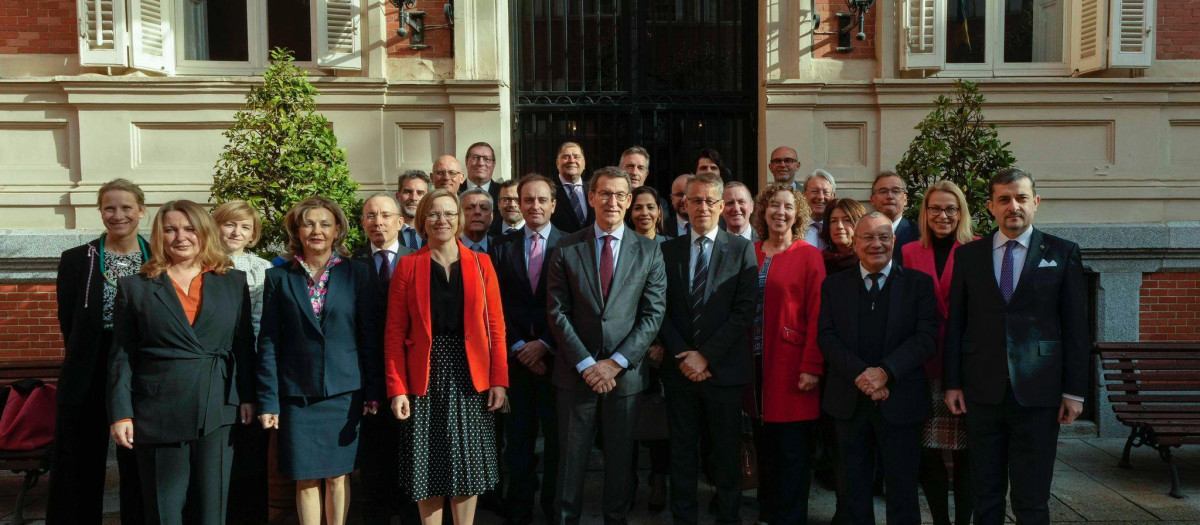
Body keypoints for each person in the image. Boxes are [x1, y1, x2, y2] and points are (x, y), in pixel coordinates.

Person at [944, 168, 1088, 525]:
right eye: (1004, 199)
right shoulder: (968, 256)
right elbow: (956, 323)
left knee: (1032, 497)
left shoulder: (1062, 253)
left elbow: (1076, 328)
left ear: (1035, 203)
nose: (1014, 206)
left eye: (1021, 198)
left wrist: (1075, 391)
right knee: (985, 493)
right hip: (982, 391)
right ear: (991, 206)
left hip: (1040, 394)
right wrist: (953, 382)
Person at [108, 199, 255, 524]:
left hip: (217, 408)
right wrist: (121, 413)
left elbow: (243, 345)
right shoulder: (136, 287)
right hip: (157, 411)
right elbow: (123, 356)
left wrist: (246, 395)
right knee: (165, 512)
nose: (181, 237)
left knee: (211, 511)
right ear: (160, 235)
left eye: (189, 228)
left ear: (204, 232)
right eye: (171, 229)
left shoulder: (232, 282)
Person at [547, 166, 667, 525]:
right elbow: (556, 310)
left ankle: (617, 519)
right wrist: (586, 364)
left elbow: (652, 314)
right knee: (570, 460)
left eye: (620, 195)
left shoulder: (649, 251)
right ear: (591, 197)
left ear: (629, 201)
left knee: (620, 461)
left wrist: (614, 363)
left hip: (625, 379)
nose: (612, 201)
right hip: (575, 374)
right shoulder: (566, 246)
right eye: (604, 194)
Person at [384, 189, 508, 525]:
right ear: (422, 220)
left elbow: (496, 328)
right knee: (427, 465)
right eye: (434, 214)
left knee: (467, 464)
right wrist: (397, 388)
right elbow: (394, 334)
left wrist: (499, 380)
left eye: (449, 214)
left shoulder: (481, 264)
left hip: (472, 376)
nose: (442, 220)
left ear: (460, 219)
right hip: (425, 375)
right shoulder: (408, 266)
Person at [257, 196, 381, 525]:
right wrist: (269, 401)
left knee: (339, 477)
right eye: (308, 223)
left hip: (344, 393)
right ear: (296, 230)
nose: (317, 230)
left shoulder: (357, 274)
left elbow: (369, 336)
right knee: (306, 478)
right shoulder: (279, 278)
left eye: (325, 223)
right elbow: (268, 341)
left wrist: (372, 390)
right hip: (297, 395)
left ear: (337, 229)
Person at [817, 212, 938, 525]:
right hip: (848, 400)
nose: (876, 244)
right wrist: (864, 376)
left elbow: (925, 338)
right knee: (852, 490)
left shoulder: (918, 285)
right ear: (855, 243)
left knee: (902, 489)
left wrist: (885, 372)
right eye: (868, 237)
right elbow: (826, 337)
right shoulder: (833, 285)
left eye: (884, 236)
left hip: (901, 400)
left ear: (894, 241)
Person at [658, 172, 758, 525]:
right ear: (683, 205)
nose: (702, 207)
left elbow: (744, 310)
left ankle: (728, 517)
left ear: (720, 206)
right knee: (682, 453)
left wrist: (707, 355)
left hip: (724, 370)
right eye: (694, 200)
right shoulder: (666, 249)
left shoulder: (742, 248)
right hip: (680, 368)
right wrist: (685, 355)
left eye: (708, 201)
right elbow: (660, 310)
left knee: (726, 454)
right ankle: (684, 518)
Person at [49, 178, 147, 525]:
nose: (118, 215)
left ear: (141, 210)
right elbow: (68, 320)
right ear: (100, 211)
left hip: (141, 366)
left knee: (138, 456)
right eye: (109, 208)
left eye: (126, 207)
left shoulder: (158, 260)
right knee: (78, 458)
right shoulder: (77, 259)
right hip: (88, 365)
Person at [747, 183, 826, 525]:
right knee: (763, 446)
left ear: (798, 215)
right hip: (754, 367)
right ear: (763, 212)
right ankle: (768, 512)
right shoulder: (749, 252)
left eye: (788, 207)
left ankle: (791, 517)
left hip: (792, 365)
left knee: (792, 451)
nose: (780, 212)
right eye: (773, 206)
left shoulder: (809, 255)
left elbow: (819, 313)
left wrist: (811, 365)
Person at [899, 181, 975, 525]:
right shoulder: (910, 251)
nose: (942, 216)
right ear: (924, 214)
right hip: (923, 363)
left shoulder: (978, 249)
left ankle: (963, 520)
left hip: (965, 364)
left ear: (961, 213)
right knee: (928, 449)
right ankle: (941, 521)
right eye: (935, 209)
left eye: (950, 209)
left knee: (966, 452)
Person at [488, 174, 562, 525]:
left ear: (553, 204)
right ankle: (518, 510)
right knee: (517, 443)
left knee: (558, 444)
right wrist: (520, 346)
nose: (533, 206)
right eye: (527, 200)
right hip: (515, 361)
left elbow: (576, 305)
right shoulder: (499, 246)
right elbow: (494, 305)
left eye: (541, 199)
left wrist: (545, 344)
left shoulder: (572, 244)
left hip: (557, 361)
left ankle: (553, 508)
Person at [351, 193, 419, 525]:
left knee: (409, 452)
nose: (377, 222)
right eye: (370, 216)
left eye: (384, 215)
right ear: (363, 223)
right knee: (374, 456)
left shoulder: (418, 259)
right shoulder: (351, 264)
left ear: (400, 222)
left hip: (411, 373)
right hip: (367, 374)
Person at [212, 200, 274, 525]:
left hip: (252, 370)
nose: (236, 232)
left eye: (245, 227)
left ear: (253, 234)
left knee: (249, 459)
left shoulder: (264, 269)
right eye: (230, 224)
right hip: (212, 372)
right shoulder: (199, 264)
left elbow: (265, 328)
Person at [628, 184, 671, 513]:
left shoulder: (671, 249)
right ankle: (627, 481)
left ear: (660, 212)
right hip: (627, 350)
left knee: (659, 420)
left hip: (662, 351)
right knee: (626, 421)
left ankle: (659, 478)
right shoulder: (622, 247)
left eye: (650, 207)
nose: (644, 213)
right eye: (638, 207)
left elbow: (674, 304)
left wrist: (660, 345)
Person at [869, 171, 919, 266]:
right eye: (883, 191)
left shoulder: (920, 234)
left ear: (905, 199)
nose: (889, 196)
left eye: (895, 191)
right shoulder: (862, 233)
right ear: (872, 199)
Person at [550, 142, 594, 233]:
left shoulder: (594, 190)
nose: (572, 160)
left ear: (584, 163)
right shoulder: (548, 190)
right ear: (557, 163)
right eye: (566, 156)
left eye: (576, 156)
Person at [820, 198, 867, 276]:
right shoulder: (820, 260)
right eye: (834, 221)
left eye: (847, 220)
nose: (839, 226)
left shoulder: (868, 260)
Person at [397, 170, 432, 250]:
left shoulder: (435, 231)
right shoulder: (387, 230)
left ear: (428, 198)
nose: (413, 198)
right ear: (398, 196)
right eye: (408, 192)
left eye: (420, 193)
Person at [802, 170, 836, 250]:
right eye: (815, 191)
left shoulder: (839, 227)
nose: (820, 197)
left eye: (826, 192)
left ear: (833, 196)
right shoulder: (794, 227)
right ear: (804, 195)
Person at [461, 189, 495, 253]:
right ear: (459, 214)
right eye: (470, 208)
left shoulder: (502, 248)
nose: (477, 212)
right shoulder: (447, 249)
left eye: (484, 208)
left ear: (491, 216)